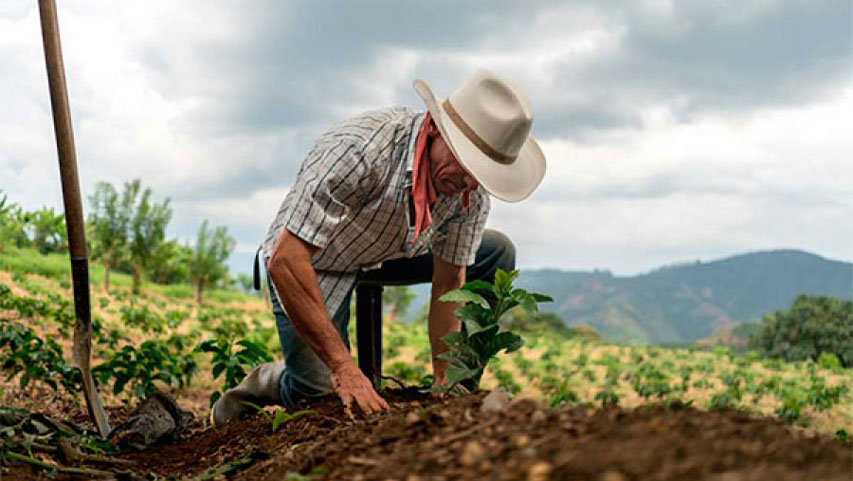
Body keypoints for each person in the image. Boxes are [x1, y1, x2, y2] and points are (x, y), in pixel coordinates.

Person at [211, 69, 546, 426]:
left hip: (390, 251)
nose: (469, 183)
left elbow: (450, 282)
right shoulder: (360, 151)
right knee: (319, 395)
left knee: (496, 252)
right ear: (435, 129)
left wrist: (445, 378)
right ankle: (268, 381)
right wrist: (343, 367)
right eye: (467, 165)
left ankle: (460, 389)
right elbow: (286, 260)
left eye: (481, 174)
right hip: (315, 260)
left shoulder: (469, 192)